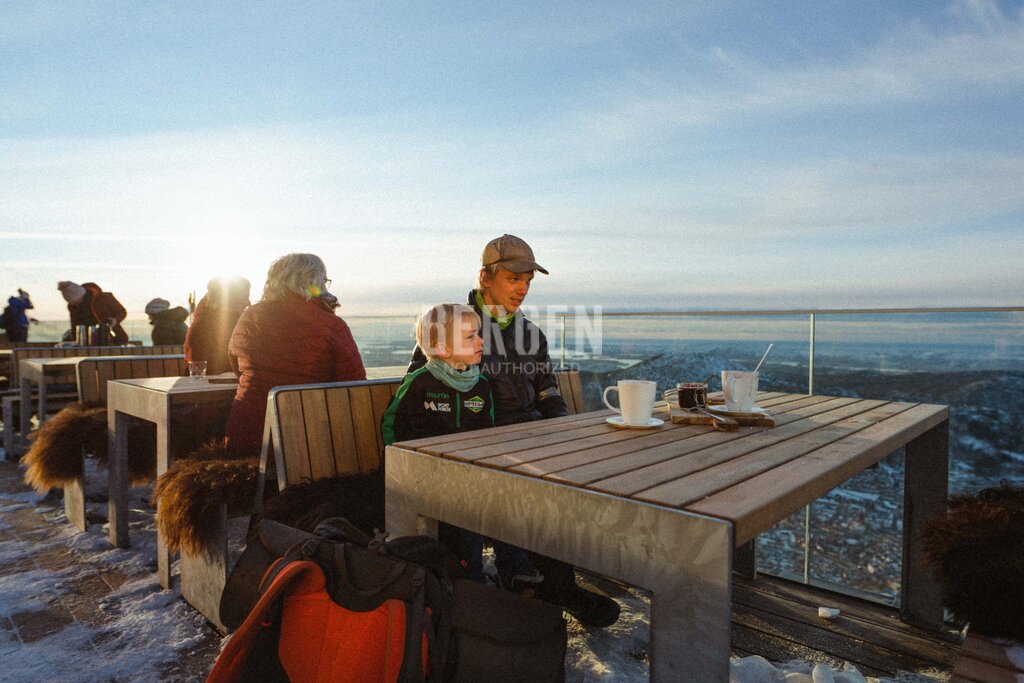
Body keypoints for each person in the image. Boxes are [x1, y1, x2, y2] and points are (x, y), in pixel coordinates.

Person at [408, 234, 621, 627]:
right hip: (480, 443)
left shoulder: (531, 334)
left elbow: (546, 389)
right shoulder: (453, 325)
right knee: (528, 483)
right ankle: (527, 581)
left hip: (529, 437)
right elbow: (424, 386)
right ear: (485, 277)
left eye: (528, 281)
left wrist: (564, 431)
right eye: (513, 278)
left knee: (568, 474)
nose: (522, 288)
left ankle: (545, 580)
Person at [383, 303, 543, 595]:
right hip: (424, 476)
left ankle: (515, 569)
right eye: (471, 337)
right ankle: (471, 579)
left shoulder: (479, 385)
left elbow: (487, 435)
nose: (481, 341)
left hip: (466, 473)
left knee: (508, 493)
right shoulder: (421, 383)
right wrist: (400, 468)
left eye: (478, 335)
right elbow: (392, 426)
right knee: (470, 508)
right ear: (443, 349)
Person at [224, 254, 366, 456]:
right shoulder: (331, 324)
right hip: (310, 440)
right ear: (314, 282)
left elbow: (237, 365)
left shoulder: (249, 316)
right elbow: (355, 386)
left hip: (248, 432)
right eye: (323, 280)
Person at [184, 276, 251, 375]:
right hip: (212, 387)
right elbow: (200, 367)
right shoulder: (203, 326)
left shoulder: (240, 324)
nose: (248, 303)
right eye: (243, 298)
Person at [57, 281, 129, 345]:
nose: (76, 304)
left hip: (112, 338)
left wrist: (115, 320)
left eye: (76, 301)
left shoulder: (104, 298)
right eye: (73, 302)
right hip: (86, 341)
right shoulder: (72, 306)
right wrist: (75, 343)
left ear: (81, 295)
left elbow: (122, 311)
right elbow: (74, 325)